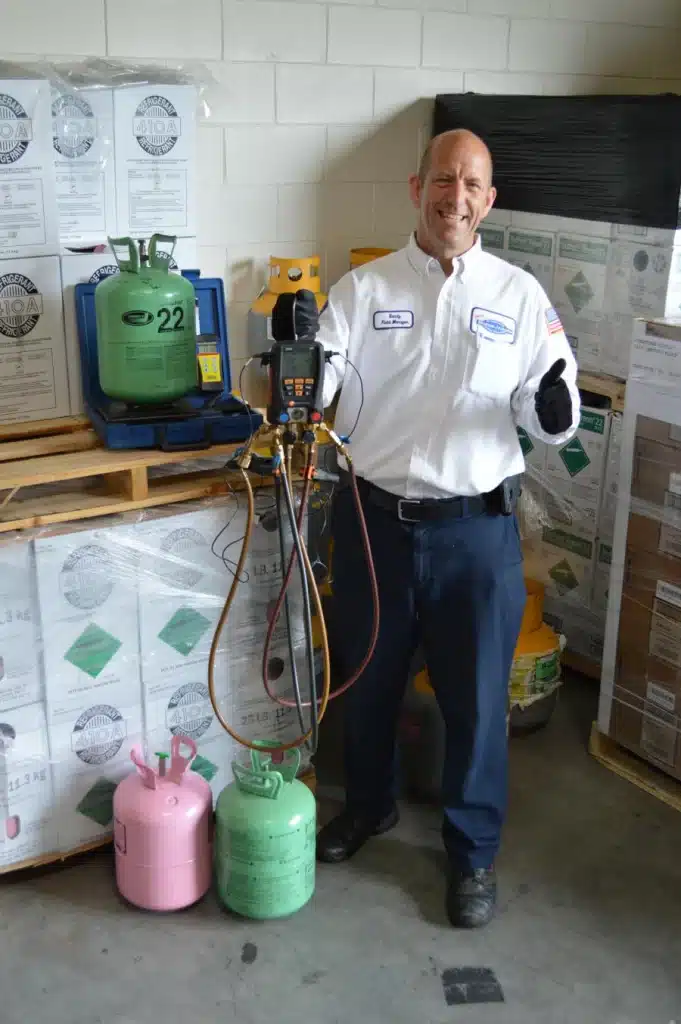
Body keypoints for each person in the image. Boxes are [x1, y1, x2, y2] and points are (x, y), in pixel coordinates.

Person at [314, 128, 580, 928]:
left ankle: (471, 854)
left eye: (470, 185)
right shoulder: (360, 291)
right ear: (415, 187)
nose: (453, 197)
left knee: (474, 704)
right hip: (371, 525)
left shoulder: (519, 295)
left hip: (475, 534)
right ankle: (369, 805)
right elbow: (316, 374)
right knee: (364, 685)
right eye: (441, 180)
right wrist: (294, 369)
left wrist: (556, 413)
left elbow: (548, 401)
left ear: (487, 200)